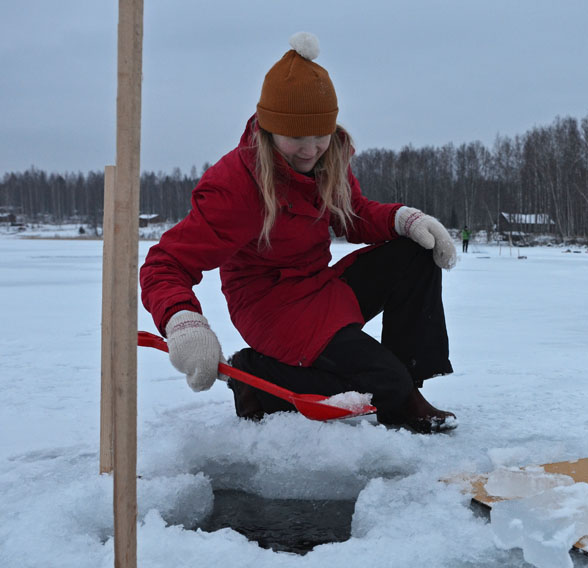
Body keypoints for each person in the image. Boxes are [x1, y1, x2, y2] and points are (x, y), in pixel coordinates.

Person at [139, 33, 458, 433]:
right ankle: (255, 378)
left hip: (321, 287)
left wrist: (403, 219)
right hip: (272, 308)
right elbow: (165, 264)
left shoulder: (330, 159)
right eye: (296, 139)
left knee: (414, 252)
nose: (310, 152)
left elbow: (352, 214)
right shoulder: (235, 186)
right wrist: (183, 321)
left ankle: (404, 386)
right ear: (270, 131)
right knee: (380, 385)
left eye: (319, 137)